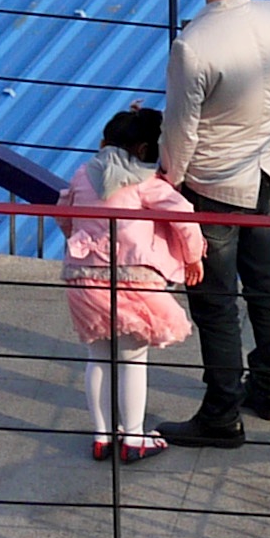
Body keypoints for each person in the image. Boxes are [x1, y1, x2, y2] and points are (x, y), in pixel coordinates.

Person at [156, 0, 270, 448]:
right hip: (262, 169)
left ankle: (220, 415)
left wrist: (170, 183)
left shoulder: (192, 45)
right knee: (264, 282)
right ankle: (269, 390)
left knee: (215, 301)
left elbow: (181, 133)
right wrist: (261, 136)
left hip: (211, 187)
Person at [59, 105, 202, 462]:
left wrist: (75, 237)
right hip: (132, 281)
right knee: (132, 359)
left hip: (84, 277)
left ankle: (102, 436)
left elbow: (64, 211)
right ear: (143, 150)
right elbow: (183, 214)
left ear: (105, 143)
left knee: (98, 357)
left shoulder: (81, 175)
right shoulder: (146, 183)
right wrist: (194, 255)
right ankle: (135, 437)